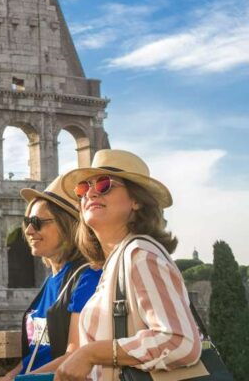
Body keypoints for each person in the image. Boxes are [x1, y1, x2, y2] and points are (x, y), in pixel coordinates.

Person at [55, 149, 201, 381]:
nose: (90, 193)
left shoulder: (139, 254)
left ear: (136, 200)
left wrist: (91, 354)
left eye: (104, 185)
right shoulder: (117, 260)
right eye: (83, 188)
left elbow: (180, 342)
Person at [1, 175, 102, 380]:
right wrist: (11, 375)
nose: (29, 230)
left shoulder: (89, 277)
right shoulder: (50, 281)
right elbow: (38, 352)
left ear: (69, 226)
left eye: (38, 222)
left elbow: (75, 354)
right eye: (27, 222)